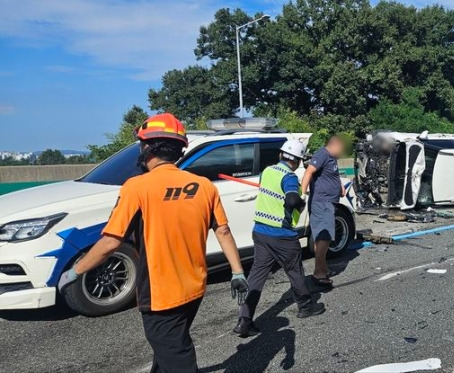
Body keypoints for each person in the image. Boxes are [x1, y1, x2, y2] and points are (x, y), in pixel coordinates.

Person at [58, 113, 249, 373]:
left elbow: (111, 241)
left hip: (160, 293)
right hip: (193, 285)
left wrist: (74, 272)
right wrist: (237, 271)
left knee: (176, 354)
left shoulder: (137, 187)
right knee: (169, 345)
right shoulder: (204, 186)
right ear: (180, 150)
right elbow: (223, 231)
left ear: (146, 147)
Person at [234, 139, 325, 337]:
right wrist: (300, 203)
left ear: (281, 155)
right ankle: (306, 306)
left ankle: (244, 320)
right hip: (282, 235)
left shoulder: (267, 171)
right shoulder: (289, 177)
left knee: (257, 275)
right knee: (294, 271)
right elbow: (292, 198)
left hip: (260, 231)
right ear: (298, 161)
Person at [301, 136, 346, 287]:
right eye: (341, 148)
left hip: (328, 202)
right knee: (324, 237)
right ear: (334, 145)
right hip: (321, 203)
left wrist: (340, 186)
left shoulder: (331, 158)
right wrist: (302, 193)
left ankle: (322, 268)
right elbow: (308, 173)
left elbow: (331, 174)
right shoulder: (322, 154)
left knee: (321, 237)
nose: (342, 152)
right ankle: (318, 273)